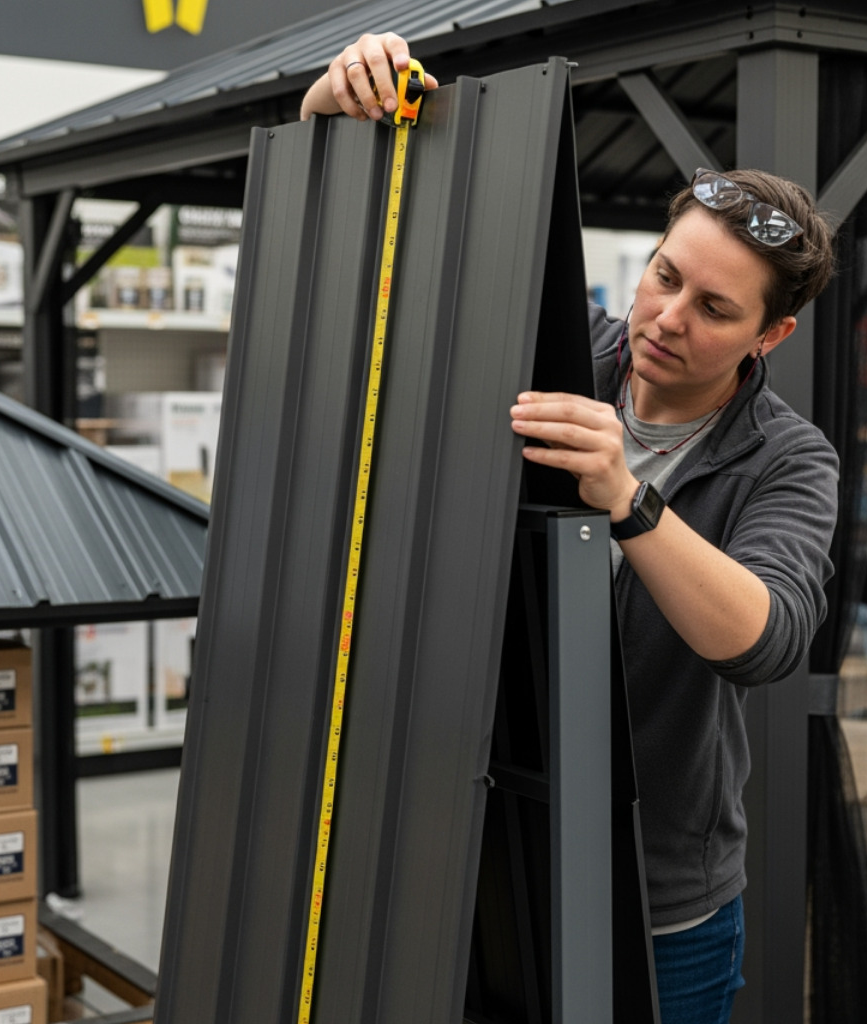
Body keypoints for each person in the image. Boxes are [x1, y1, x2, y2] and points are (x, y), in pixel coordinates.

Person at [303, 35, 839, 1024]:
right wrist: (337, 119)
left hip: (662, 889)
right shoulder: (551, 348)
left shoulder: (787, 458)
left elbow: (766, 636)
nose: (668, 316)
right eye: (665, 275)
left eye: (715, 307)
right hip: (477, 826)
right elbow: (401, 274)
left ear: (771, 336)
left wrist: (629, 499)